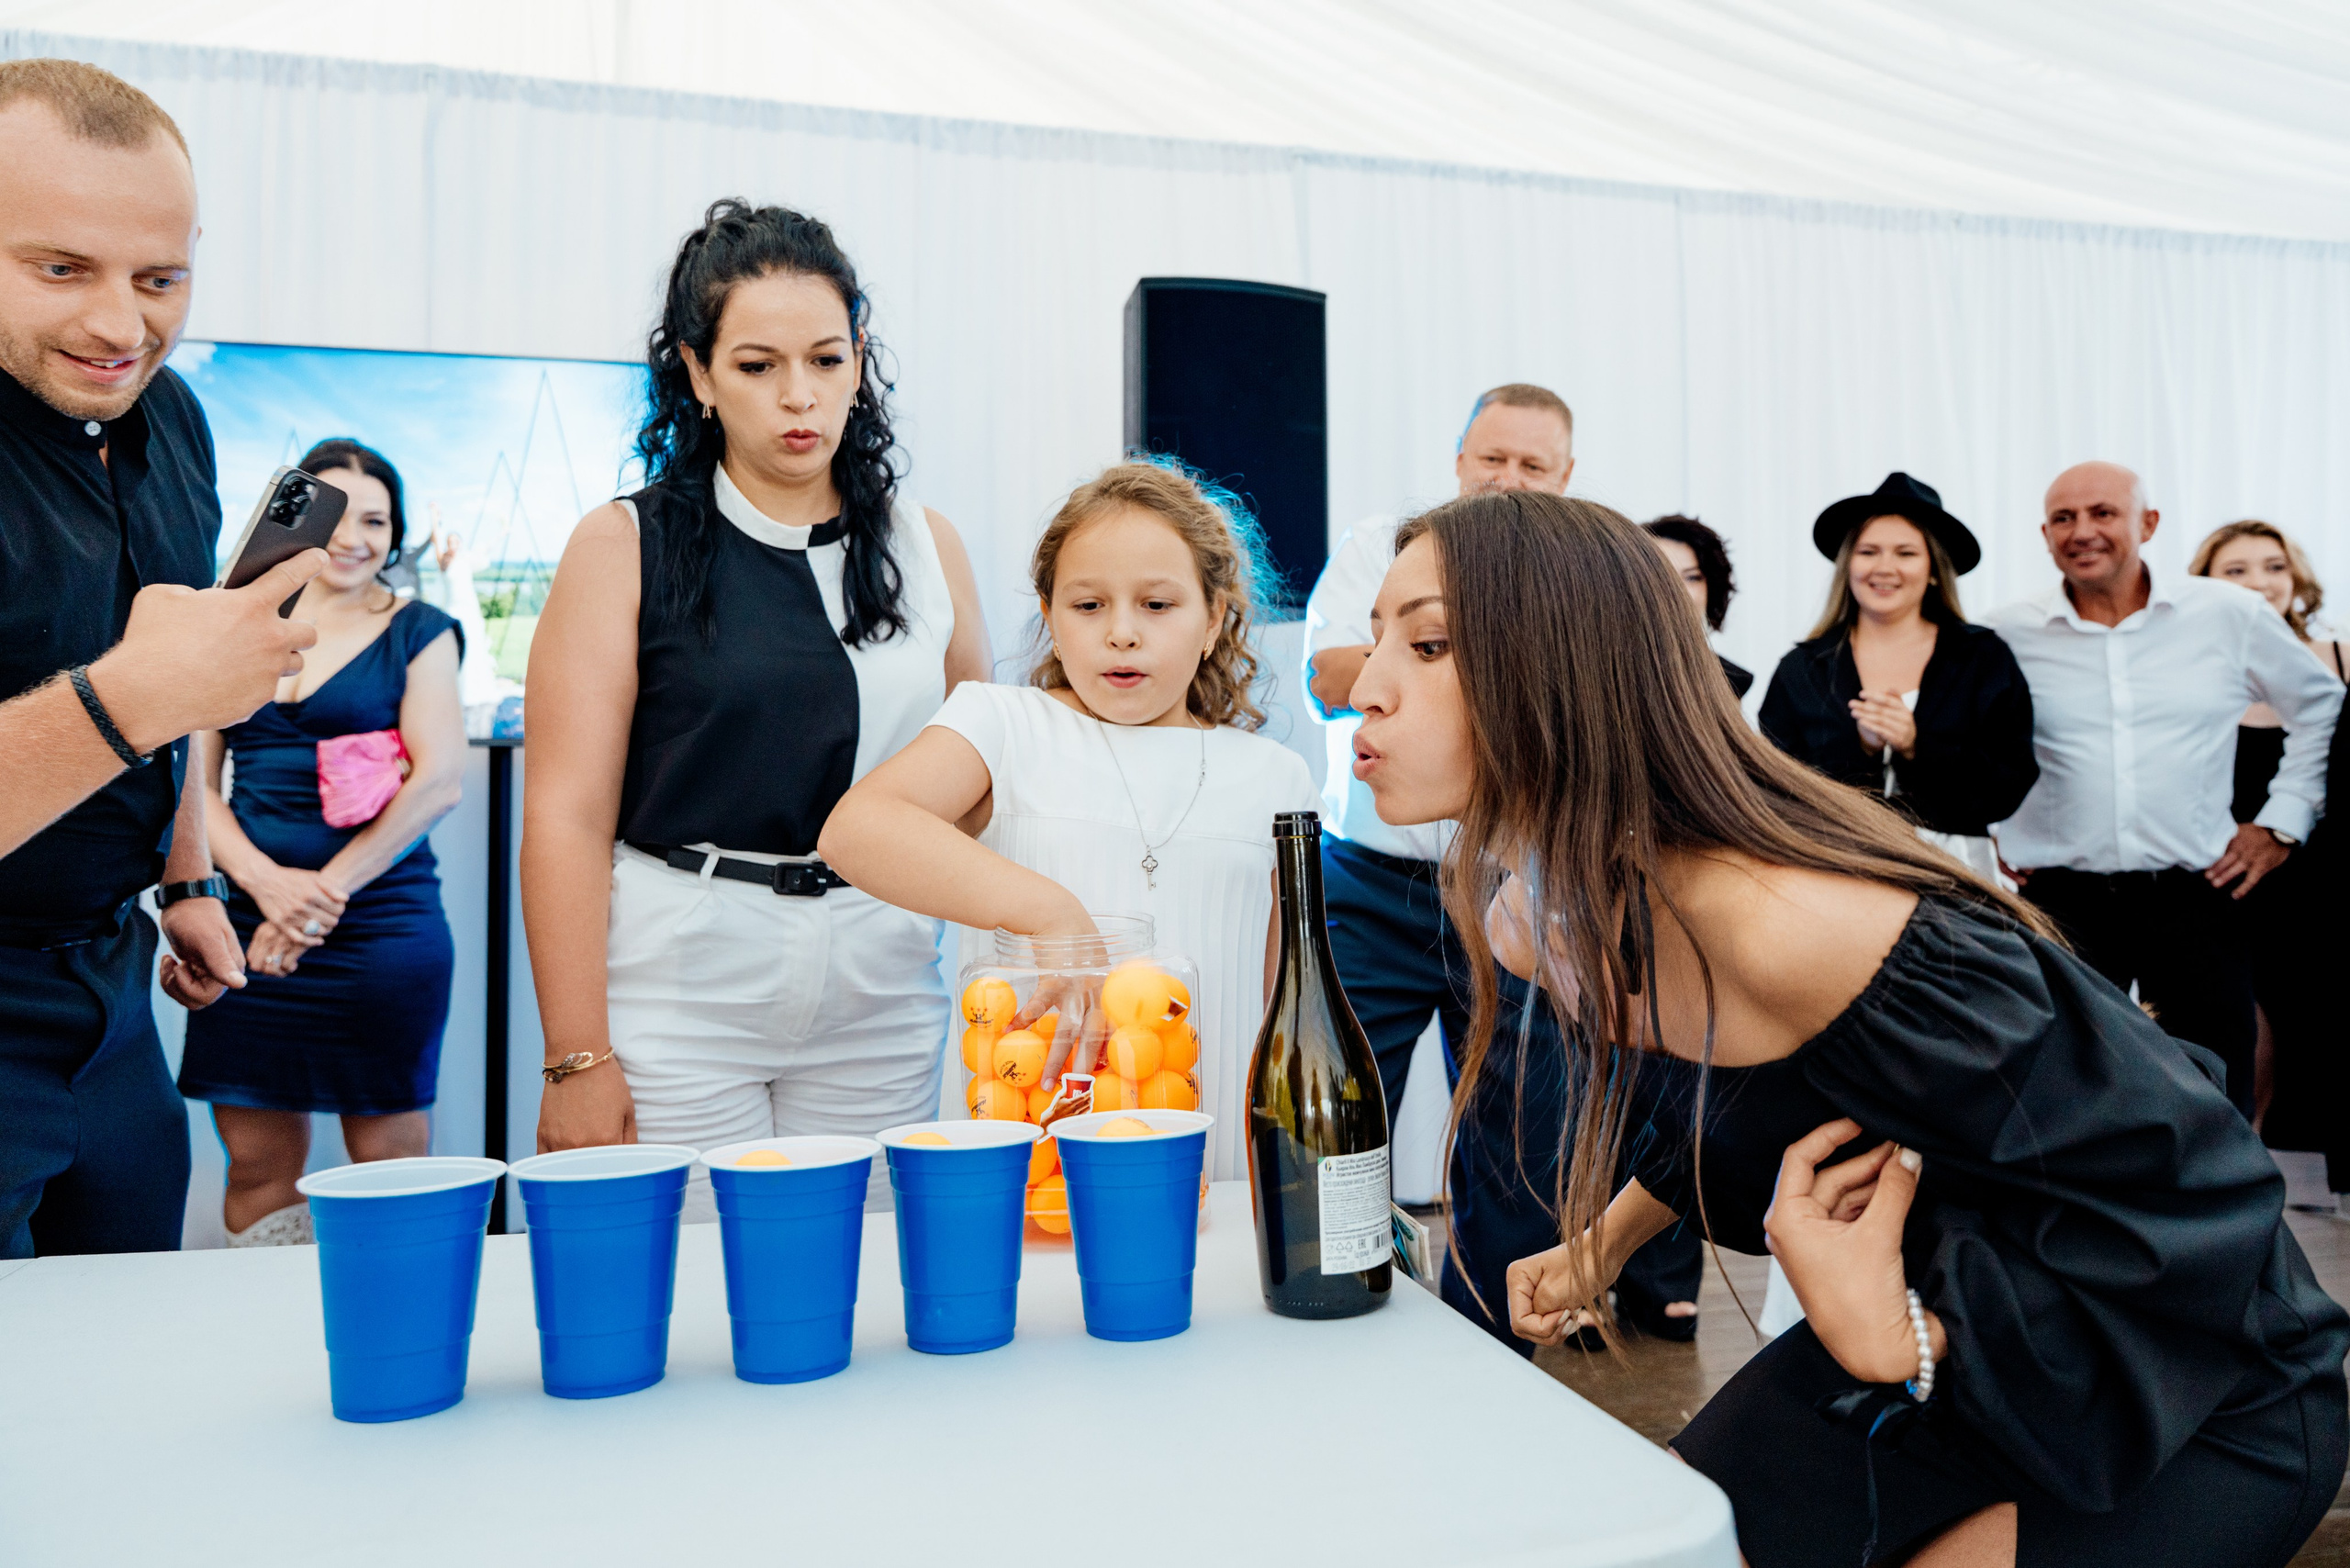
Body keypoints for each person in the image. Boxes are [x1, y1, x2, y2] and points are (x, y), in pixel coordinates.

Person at [1348, 487, 2347, 1566]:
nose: (1367, 688)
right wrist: (1603, 1242)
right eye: (1376, 639)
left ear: (1571, 667)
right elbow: (1752, 1101)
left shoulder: (1793, 924)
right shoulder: (1529, 920)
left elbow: (2192, 1179)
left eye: (1432, 644)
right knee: (1667, 1542)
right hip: (1931, 1321)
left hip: (2183, 1377)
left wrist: (1900, 1338)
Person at [523, 200, 990, 1215]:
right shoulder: (621, 546)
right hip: (683, 988)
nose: (798, 398)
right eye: (755, 364)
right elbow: (564, 815)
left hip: (882, 984)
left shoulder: (927, 543)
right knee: (686, 1304)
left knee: (865, 1291)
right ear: (695, 372)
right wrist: (574, 1057)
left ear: (861, 358)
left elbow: (982, 779)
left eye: (826, 359)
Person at [0, 60, 328, 1260]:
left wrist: (187, 876)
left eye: (161, 278)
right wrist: (132, 696)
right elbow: (152, 685)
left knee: (120, 1343)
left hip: (115, 982)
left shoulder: (169, 417)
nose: (119, 326)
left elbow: (182, 672)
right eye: (59, 269)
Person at [1304, 384, 1686, 1345]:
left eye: (1530, 465)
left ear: (1564, 478)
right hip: (1377, 881)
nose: (1505, 477)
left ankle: (1495, 1331)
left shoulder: (1575, 576)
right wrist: (1466, 652)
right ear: (1458, 459)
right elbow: (1326, 677)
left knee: (1527, 1117)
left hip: (1523, 878)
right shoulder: (1379, 544)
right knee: (1337, 1103)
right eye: (1490, 458)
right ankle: (1325, 1307)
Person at [821, 461, 1320, 1182]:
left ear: (1213, 619)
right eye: (1088, 607)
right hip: (1024, 1164)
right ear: (1051, 618)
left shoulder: (1278, 777)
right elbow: (856, 829)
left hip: (1214, 1168)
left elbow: (1288, 1003)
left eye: (1157, 605)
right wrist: (1050, 914)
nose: (1121, 633)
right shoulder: (1002, 724)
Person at [1986, 463, 2343, 1120]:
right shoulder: (2006, 631)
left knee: (2215, 1096)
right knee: (2060, 1090)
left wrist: (2280, 823)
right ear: (2044, 534)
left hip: (2197, 894)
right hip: (2063, 898)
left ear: (2147, 523)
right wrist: (1995, 826)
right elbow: (1967, 734)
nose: (2083, 531)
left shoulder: (2227, 616)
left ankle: (2228, 1224)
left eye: (2103, 513)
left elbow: (2323, 707)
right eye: (2064, 518)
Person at [176, 441, 466, 1245]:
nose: (356, 536)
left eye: (377, 519)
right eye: (338, 515)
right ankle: (273, 1343)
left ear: (395, 533)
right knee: (259, 1168)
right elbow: (194, 790)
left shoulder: (422, 631)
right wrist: (267, 887)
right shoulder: (233, 632)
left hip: (381, 934)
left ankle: (394, 1343)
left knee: (392, 1172)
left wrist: (314, 901)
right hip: (246, 930)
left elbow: (438, 781)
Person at [1761, 473, 2037, 884]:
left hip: (1958, 877)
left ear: (1932, 570)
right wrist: (1862, 751)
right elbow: (1772, 786)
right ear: (1848, 565)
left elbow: (2008, 782)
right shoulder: (1803, 668)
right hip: (1833, 872)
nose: (1884, 567)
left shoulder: (1981, 657)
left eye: (1905, 553)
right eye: (1869, 551)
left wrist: (1916, 745)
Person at [2189, 520, 2348, 1172]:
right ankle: (2243, 1169)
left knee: (2323, 1019)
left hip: (2323, 872)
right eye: (2237, 570)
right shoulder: (2194, 670)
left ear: (2296, 577)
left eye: (2273, 566)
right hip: (2224, 875)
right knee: (2241, 1032)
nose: (2260, 582)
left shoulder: (2338, 655)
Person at [1643, 514, 1751, 697]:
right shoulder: (1603, 668)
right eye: (1663, 575)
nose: (1678, 591)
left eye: (1692, 577)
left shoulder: (1729, 681)